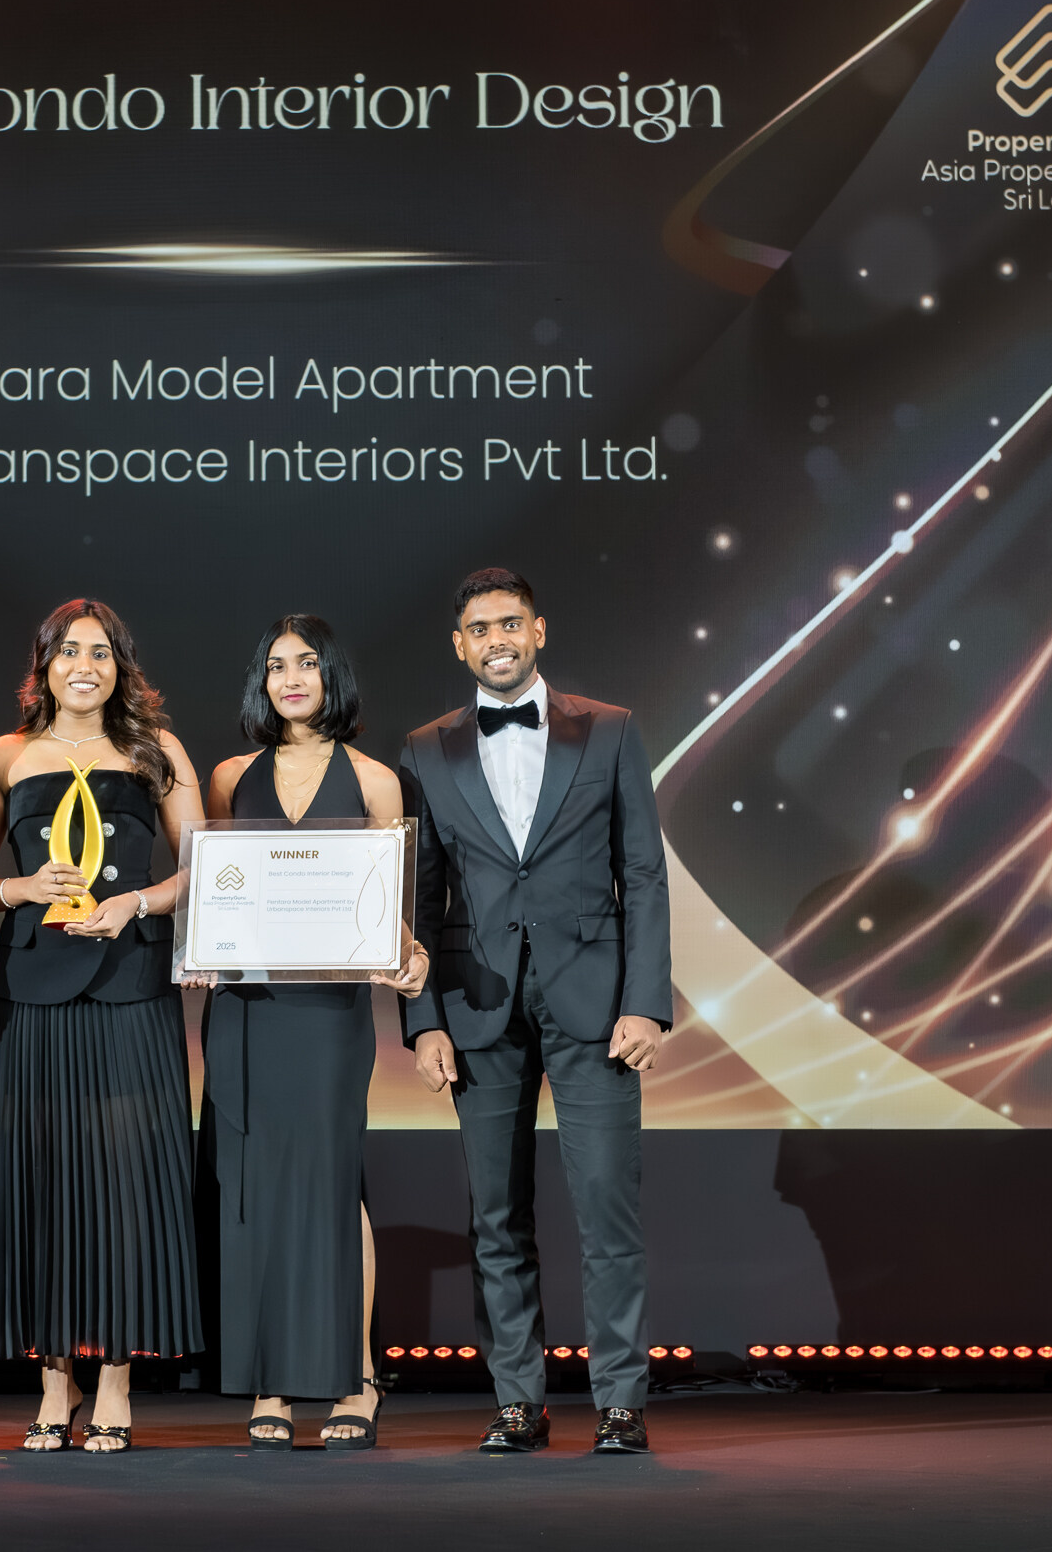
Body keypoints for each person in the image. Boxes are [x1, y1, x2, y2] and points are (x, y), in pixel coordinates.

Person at [399, 568, 670, 1457]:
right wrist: (424, 1021)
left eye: (510, 623)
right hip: (477, 1006)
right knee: (496, 1218)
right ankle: (518, 1400)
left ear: (539, 630)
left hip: (597, 1004)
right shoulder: (426, 749)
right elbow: (419, 897)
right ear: (460, 645)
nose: (497, 640)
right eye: (480, 629)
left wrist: (647, 1004)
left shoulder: (611, 729)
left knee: (606, 1211)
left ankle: (620, 1402)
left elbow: (645, 874)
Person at [0, 599, 205, 1453]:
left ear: (121, 668)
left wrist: (138, 902)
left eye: (101, 653)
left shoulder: (156, 751)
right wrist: (20, 890)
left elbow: (205, 868)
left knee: (127, 1186)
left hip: (131, 989)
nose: (84, 667)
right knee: (40, 1184)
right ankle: (52, 1383)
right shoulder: (5, 756)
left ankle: (114, 1383)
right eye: (69, 651)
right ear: (44, 665)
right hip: (32, 995)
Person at [198, 617, 428, 1452]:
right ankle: (271, 1379)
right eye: (275, 666)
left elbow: (389, 909)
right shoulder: (230, 777)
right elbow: (215, 887)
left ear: (332, 673)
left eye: (305, 663)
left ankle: (355, 1377)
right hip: (246, 1010)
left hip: (329, 1015)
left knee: (331, 1190)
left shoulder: (375, 782)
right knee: (253, 1190)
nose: (289, 678)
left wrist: (410, 956)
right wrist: (202, 946)